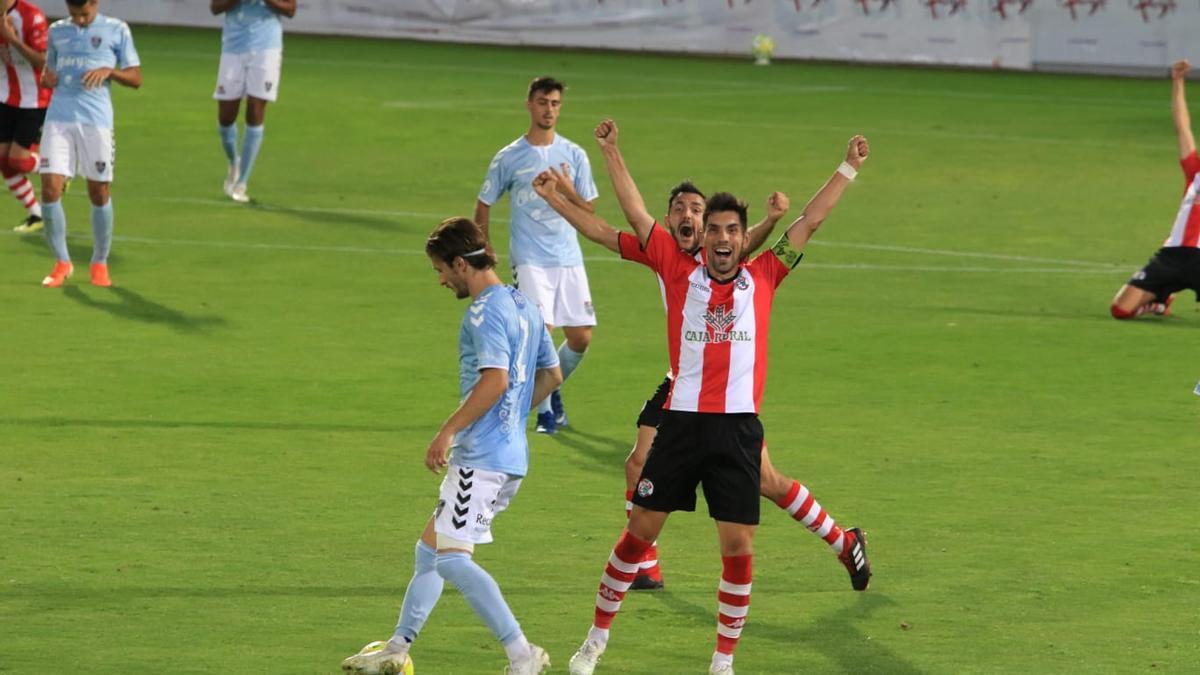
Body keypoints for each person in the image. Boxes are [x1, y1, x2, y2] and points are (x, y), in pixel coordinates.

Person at [533, 129, 870, 675]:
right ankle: (594, 641)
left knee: (738, 550)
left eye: (729, 230)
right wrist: (611, 153)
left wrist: (847, 167)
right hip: (683, 425)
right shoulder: (673, 263)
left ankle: (722, 662)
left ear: (743, 239)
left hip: (737, 429)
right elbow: (632, 210)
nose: (718, 237)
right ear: (700, 235)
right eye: (710, 227)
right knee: (637, 532)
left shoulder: (766, 274)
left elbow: (811, 221)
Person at [341, 217, 561, 675]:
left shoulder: (483, 312)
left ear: (462, 263)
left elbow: (495, 380)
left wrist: (447, 431)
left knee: (453, 562)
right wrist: (513, 417)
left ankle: (522, 654)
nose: (440, 279)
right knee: (429, 553)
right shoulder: (526, 306)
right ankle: (396, 648)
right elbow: (552, 375)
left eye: (441, 269)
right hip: (510, 457)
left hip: (479, 459)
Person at [475, 76, 599, 435]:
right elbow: (483, 204)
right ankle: (544, 414)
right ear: (529, 104)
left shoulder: (574, 155)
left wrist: (565, 188)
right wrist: (484, 246)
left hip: (568, 257)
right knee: (540, 331)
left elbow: (588, 209)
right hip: (529, 256)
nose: (549, 109)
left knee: (581, 337)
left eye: (555, 103)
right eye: (543, 102)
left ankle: (552, 387)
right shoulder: (509, 157)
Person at [38, 0, 140, 288]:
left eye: (84, 14)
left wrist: (111, 71)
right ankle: (61, 262)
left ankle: (99, 262)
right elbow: (49, 73)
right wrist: (48, 78)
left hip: (96, 122)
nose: (80, 20)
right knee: (49, 188)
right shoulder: (57, 31)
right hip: (59, 118)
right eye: (74, 14)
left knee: (98, 191)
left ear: (95, 3)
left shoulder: (116, 29)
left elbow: (136, 77)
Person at [1110, 59, 1200, 319]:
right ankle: (1161, 298)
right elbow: (1182, 127)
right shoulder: (1194, 170)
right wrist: (1178, 81)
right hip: (1171, 256)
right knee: (1120, 310)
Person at [210, 0, 295, 204]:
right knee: (226, 116)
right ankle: (234, 162)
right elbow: (215, 7)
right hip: (233, 46)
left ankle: (242, 183)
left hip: (266, 46)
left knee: (255, 109)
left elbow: (290, 9)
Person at [0, 0, 50, 233]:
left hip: (34, 99)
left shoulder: (32, 16)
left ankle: (58, 167)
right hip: (5, 97)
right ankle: (36, 214)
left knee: (18, 160)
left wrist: (12, 39)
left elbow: (43, 62)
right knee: (3, 160)